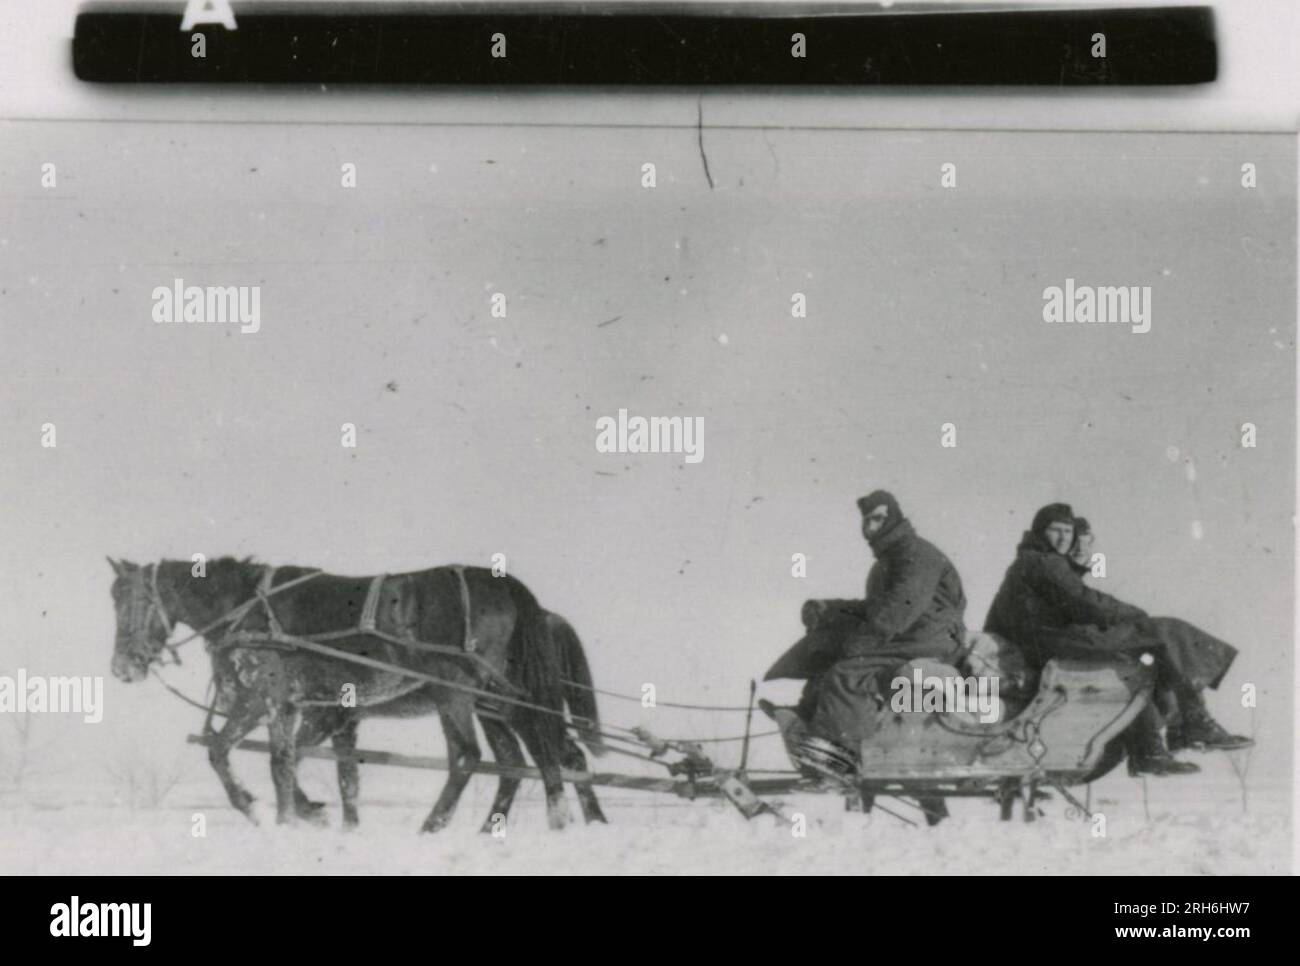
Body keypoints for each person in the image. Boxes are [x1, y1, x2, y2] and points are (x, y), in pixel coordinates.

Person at [984, 504, 1249, 777]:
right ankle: (1190, 725)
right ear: (1041, 532)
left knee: (1134, 660)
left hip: (1042, 639)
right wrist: (1135, 616)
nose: (1063, 538)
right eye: (1055, 530)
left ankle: (1156, 745)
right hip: (1048, 639)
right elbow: (1083, 601)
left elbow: (1067, 599)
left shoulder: (1035, 561)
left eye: (1068, 531)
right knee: (1164, 632)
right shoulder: (1041, 561)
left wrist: (1076, 569)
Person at [763, 491, 967, 823]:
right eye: (867, 520)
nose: (871, 526)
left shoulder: (916, 554)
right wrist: (829, 610)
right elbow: (876, 610)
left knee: (848, 673)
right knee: (828, 660)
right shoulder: (890, 560)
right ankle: (809, 723)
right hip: (912, 635)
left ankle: (835, 759)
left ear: (895, 518)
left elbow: (899, 610)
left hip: (929, 639)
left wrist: (857, 646)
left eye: (879, 518)